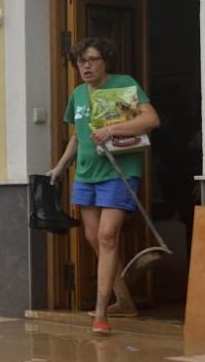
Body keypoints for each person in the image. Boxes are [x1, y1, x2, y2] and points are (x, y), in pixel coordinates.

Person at [49, 37, 159, 335]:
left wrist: (112, 128)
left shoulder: (121, 85)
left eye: (92, 59)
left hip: (118, 170)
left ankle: (101, 315)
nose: (86, 66)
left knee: (108, 235)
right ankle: (124, 302)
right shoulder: (79, 94)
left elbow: (150, 119)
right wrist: (61, 166)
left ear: (105, 60)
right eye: (81, 61)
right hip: (86, 173)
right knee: (95, 238)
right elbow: (77, 135)